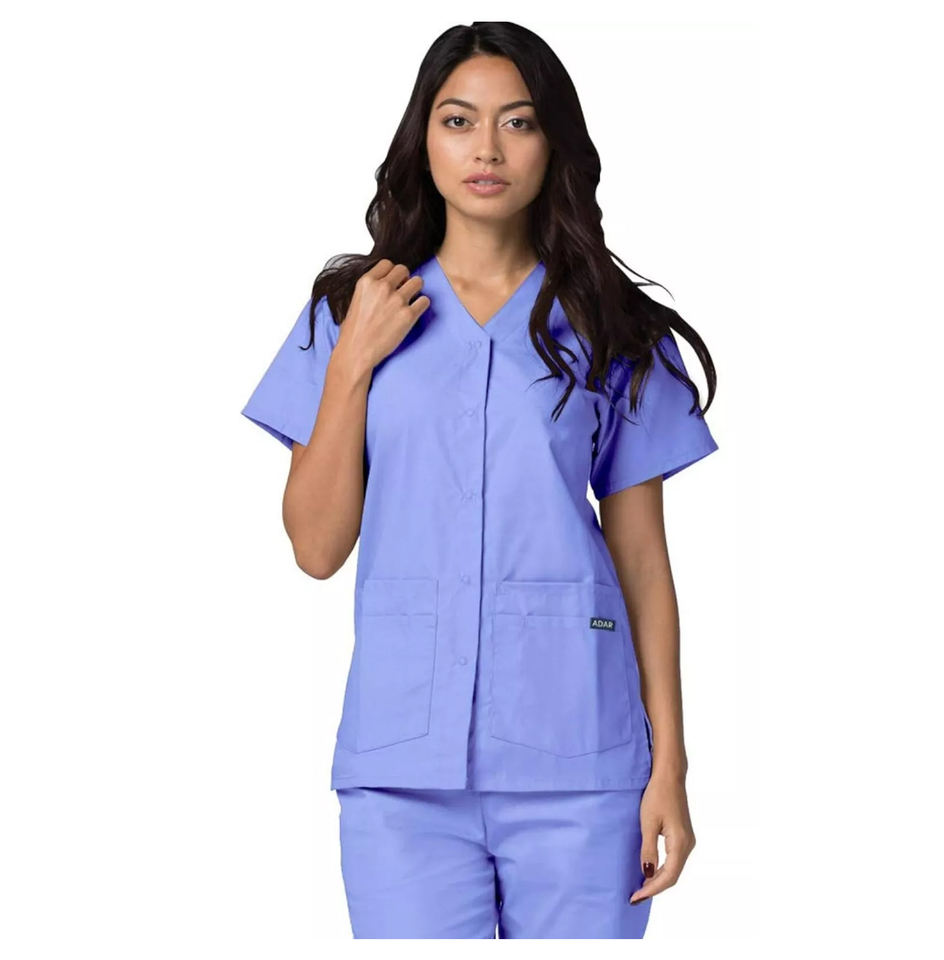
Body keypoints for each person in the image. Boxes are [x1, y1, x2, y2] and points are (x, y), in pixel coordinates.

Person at [240, 21, 719, 940]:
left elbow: (643, 564)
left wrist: (671, 768)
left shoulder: (613, 327)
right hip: (401, 775)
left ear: (553, 143)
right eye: (459, 120)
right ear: (423, 138)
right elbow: (316, 548)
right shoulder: (350, 314)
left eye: (518, 122)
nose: (487, 149)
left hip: (583, 764)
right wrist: (352, 365)